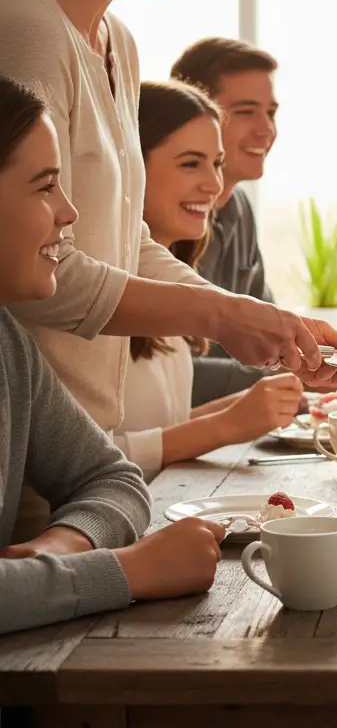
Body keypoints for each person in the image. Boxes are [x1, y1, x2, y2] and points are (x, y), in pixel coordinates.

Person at [0, 0, 337, 450]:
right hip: (23, 444)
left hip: (83, 445)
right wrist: (219, 315)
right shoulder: (21, 26)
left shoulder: (117, 43)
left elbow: (121, 239)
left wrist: (250, 316)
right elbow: (38, 264)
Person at [0, 74, 225, 635]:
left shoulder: (8, 345)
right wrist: (127, 571)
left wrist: (65, 543)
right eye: (45, 186)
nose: (69, 212)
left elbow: (111, 477)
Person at [115, 82, 303, 481]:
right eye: (190, 163)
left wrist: (251, 406)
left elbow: (163, 425)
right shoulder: (97, 298)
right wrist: (227, 425)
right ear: (130, 169)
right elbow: (87, 460)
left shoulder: (181, 291)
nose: (214, 184)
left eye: (216, 163)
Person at [170, 37, 279, 403]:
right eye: (246, 111)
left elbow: (267, 329)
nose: (266, 130)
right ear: (197, 115)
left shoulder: (241, 208)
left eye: (271, 112)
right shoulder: (156, 221)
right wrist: (272, 378)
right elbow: (166, 371)